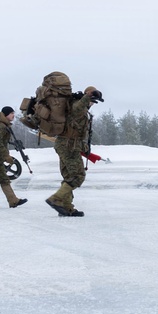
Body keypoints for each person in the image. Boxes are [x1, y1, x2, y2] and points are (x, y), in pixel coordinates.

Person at [45, 86, 103, 217]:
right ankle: (56, 199)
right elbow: (76, 110)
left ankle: (66, 207)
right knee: (78, 176)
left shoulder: (78, 108)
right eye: (93, 101)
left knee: (68, 177)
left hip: (66, 145)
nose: (93, 104)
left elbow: (76, 131)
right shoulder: (77, 106)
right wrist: (87, 97)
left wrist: (85, 148)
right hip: (68, 146)